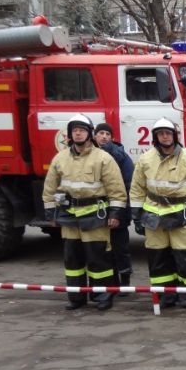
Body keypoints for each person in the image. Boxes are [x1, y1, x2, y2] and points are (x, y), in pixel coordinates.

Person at [42, 114, 127, 311]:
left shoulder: (103, 158)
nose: (78, 133)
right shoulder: (60, 158)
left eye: (82, 129)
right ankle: (76, 297)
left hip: (95, 217)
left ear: (90, 134)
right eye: (74, 130)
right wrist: (50, 215)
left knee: (99, 259)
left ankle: (103, 294)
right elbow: (49, 188)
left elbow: (116, 189)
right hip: (70, 217)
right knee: (73, 260)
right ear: (70, 134)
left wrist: (114, 214)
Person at [129, 117, 186, 311]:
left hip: (182, 216)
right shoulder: (145, 159)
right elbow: (137, 188)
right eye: (161, 134)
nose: (165, 137)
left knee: (185, 256)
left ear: (174, 136)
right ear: (156, 137)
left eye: (168, 133)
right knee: (158, 257)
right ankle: (165, 294)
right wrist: (136, 215)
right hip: (154, 218)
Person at [93, 122, 134, 293]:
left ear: (112, 138)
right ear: (94, 136)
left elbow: (128, 183)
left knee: (120, 248)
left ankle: (124, 281)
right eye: (101, 133)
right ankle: (110, 283)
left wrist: (122, 211)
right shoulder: (89, 155)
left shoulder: (121, 156)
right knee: (102, 249)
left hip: (118, 209)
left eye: (107, 134)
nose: (104, 136)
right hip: (96, 211)